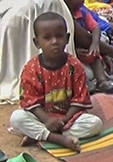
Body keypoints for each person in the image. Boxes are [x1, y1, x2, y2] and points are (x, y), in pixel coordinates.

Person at [9, 12, 102, 152]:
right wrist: (47, 120)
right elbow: (31, 102)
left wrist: (63, 120)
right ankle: (59, 139)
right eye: (47, 38)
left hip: (68, 119)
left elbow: (79, 99)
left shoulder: (74, 65)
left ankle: (41, 136)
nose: (54, 41)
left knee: (95, 124)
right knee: (17, 118)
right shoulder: (31, 68)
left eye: (59, 36)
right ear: (37, 42)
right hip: (42, 118)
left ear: (67, 38)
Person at [56, 0, 113, 94]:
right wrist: (74, 50)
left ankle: (102, 81)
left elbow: (95, 28)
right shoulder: (61, 16)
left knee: (95, 58)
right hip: (72, 52)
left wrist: (95, 44)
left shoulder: (82, 13)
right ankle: (84, 83)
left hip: (87, 48)